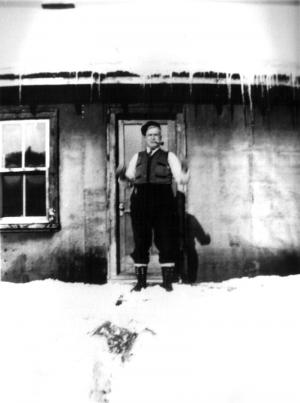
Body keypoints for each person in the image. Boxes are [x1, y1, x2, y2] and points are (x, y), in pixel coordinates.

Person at [117, 121, 189, 292]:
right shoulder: (138, 157)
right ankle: (141, 283)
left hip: (163, 202)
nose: (153, 137)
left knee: (166, 241)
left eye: (156, 134)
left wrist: (185, 171)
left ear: (161, 137)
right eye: (150, 135)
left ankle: (167, 283)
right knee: (141, 241)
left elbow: (181, 179)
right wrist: (121, 175)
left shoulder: (169, 156)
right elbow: (128, 180)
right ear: (145, 138)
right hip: (140, 203)